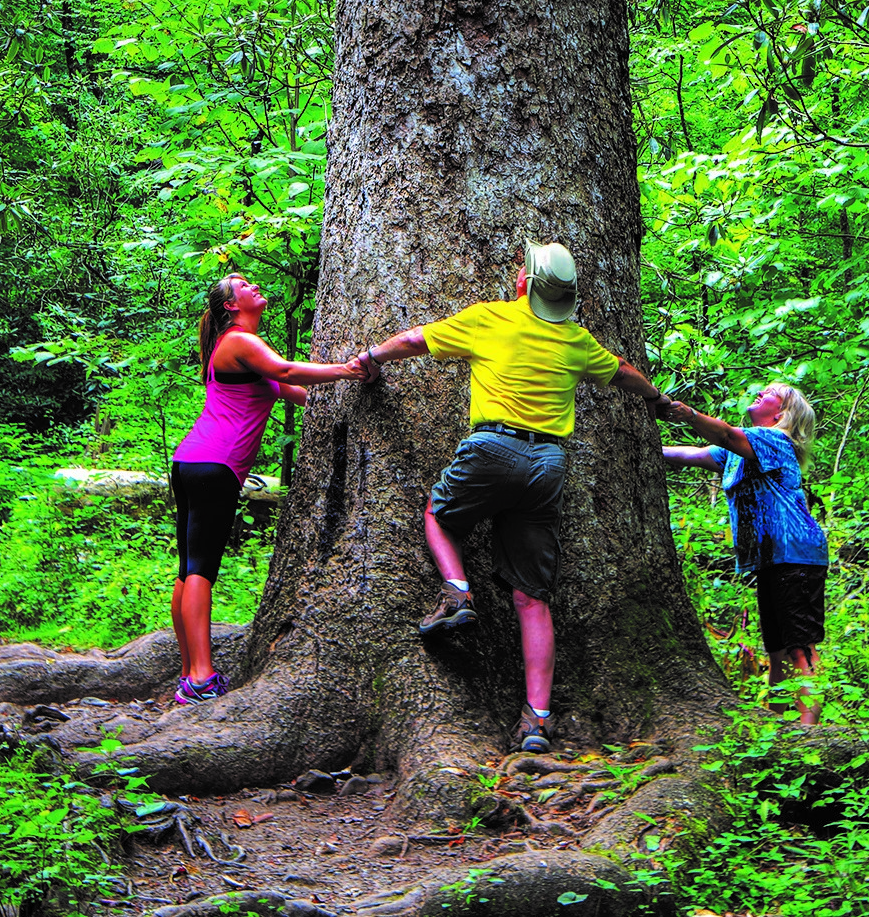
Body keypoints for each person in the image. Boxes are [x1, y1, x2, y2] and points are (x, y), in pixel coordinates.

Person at [351, 241, 672, 752]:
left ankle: (457, 592)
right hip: (548, 464)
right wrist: (658, 400)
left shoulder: (490, 319)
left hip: (492, 448)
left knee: (439, 515)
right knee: (531, 596)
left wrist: (371, 356)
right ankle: (537, 720)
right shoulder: (577, 341)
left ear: (523, 284)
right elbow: (625, 372)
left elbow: (414, 339)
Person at [170, 273, 368, 705]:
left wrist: (343, 392)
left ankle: (189, 674)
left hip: (193, 461)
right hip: (213, 464)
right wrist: (348, 370)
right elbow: (286, 369)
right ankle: (201, 677)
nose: (254, 287)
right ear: (231, 306)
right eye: (243, 286)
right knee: (201, 567)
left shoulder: (240, 353)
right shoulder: (239, 341)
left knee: (189, 569)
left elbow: (293, 389)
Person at [663, 385, 828, 723]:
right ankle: (777, 730)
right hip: (772, 561)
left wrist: (689, 414)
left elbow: (725, 433)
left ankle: (810, 735)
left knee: (800, 647)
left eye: (770, 395)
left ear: (780, 415)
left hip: (797, 555)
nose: (759, 394)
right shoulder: (736, 452)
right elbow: (690, 454)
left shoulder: (776, 441)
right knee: (777, 650)